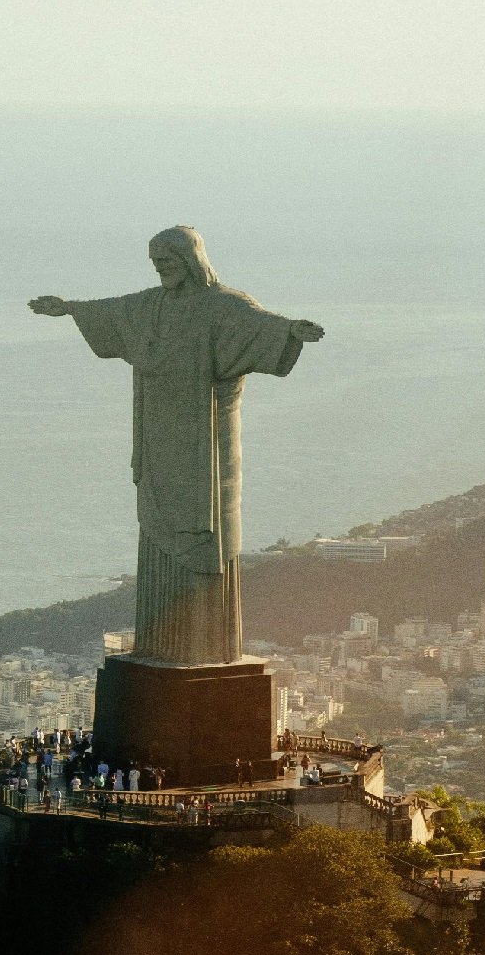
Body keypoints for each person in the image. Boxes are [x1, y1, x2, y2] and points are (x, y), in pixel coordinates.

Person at [29, 226, 323, 664]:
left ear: (191, 259)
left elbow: (261, 326)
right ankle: (161, 644)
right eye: (155, 263)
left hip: (206, 443)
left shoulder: (224, 306)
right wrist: (69, 308)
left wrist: (292, 331)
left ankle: (203, 646)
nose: (160, 269)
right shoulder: (151, 305)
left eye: (167, 261)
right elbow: (112, 312)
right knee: (158, 522)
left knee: (206, 529)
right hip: (158, 437)